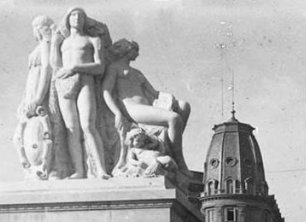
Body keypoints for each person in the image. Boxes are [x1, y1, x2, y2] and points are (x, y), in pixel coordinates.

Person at [102, 39, 191, 179]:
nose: (137, 54)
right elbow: (106, 91)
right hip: (132, 108)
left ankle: (170, 150)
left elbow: (155, 93)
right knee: (173, 118)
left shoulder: (137, 72)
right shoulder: (114, 68)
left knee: (184, 106)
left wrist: (170, 98)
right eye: (135, 50)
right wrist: (117, 113)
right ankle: (180, 162)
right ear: (126, 50)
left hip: (146, 107)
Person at [51, 7, 109, 179]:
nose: (76, 18)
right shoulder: (63, 42)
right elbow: (55, 66)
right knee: (71, 128)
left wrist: (76, 67)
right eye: (73, 15)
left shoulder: (93, 40)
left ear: (85, 20)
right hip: (64, 82)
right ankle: (79, 170)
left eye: (80, 15)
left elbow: (100, 67)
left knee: (88, 125)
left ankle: (100, 169)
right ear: (68, 19)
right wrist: (54, 44)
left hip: (85, 80)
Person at [13, 15, 55, 179]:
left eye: (35, 28)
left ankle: (46, 168)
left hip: (39, 94)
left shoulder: (45, 44)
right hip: (31, 94)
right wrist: (25, 99)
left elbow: (46, 68)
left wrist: (38, 97)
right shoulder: (40, 46)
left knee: (42, 131)